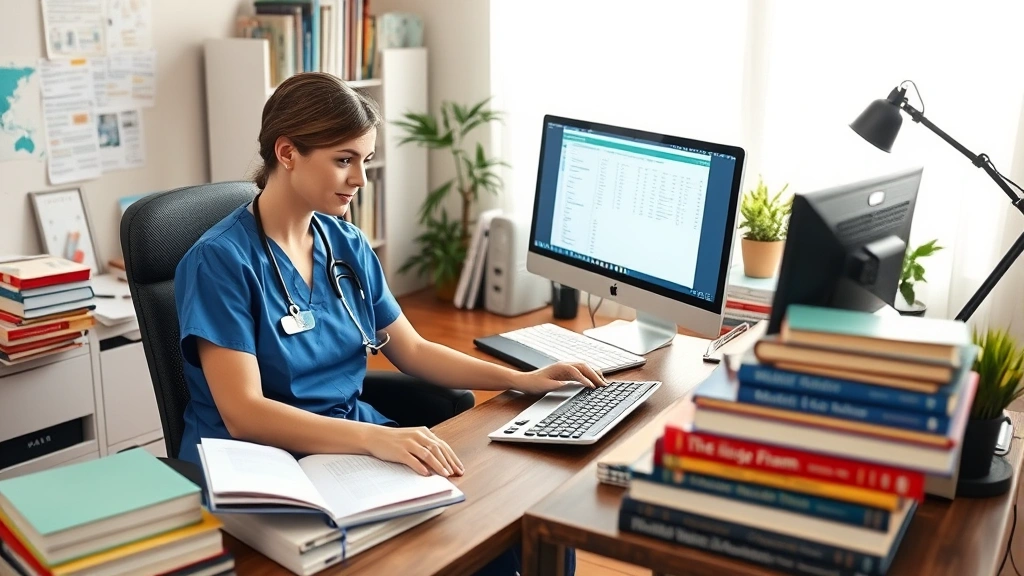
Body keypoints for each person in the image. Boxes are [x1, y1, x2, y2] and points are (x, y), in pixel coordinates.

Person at [173, 72, 596, 575]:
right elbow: (244, 413)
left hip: (344, 447)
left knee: (529, 529)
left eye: (365, 160)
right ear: (287, 153)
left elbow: (412, 350)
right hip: (259, 464)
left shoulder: (344, 245)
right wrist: (378, 439)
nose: (360, 179)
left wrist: (519, 379)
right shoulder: (220, 262)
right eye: (344, 160)